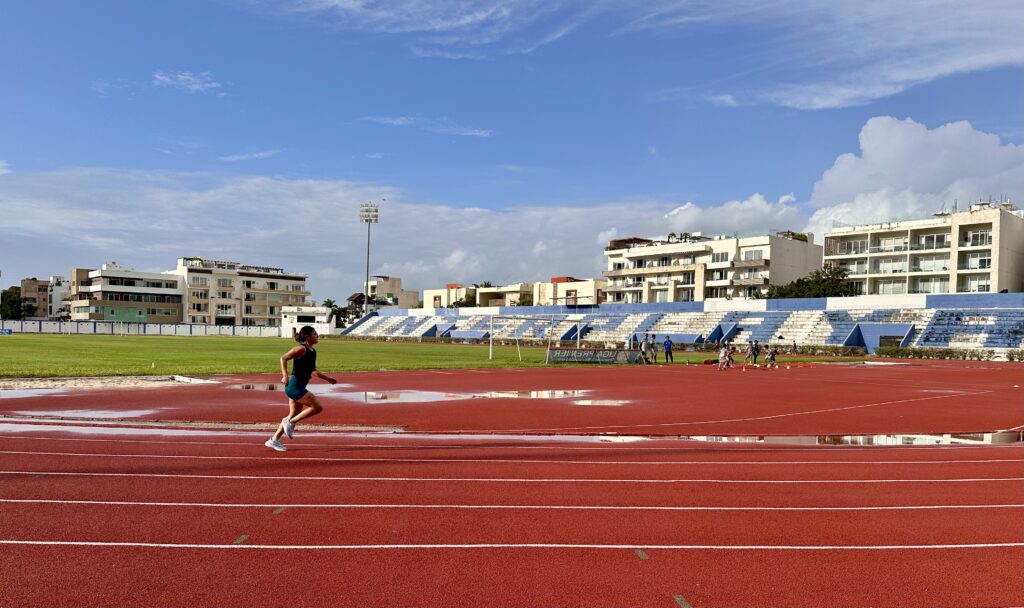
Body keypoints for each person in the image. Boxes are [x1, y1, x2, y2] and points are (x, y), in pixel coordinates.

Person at [265, 326, 337, 452]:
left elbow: (314, 371)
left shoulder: (312, 351)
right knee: (317, 407)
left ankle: (274, 439)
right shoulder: (300, 349)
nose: (317, 335)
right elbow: (283, 358)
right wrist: (285, 375)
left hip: (300, 386)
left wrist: (328, 379)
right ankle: (291, 422)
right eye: (315, 334)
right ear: (308, 337)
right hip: (294, 387)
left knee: (293, 414)